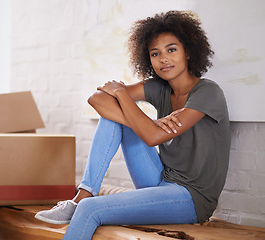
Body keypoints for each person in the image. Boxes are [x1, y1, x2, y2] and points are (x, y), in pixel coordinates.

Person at [35, 10, 231, 240]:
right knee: (114, 115)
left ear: (188, 51)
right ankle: (84, 193)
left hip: (191, 198)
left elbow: (152, 138)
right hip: (159, 179)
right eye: (155, 53)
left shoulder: (208, 92)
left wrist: (122, 93)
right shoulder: (159, 87)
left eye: (171, 49)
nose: (164, 59)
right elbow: (96, 99)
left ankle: (84, 201)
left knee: (91, 210)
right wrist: (152, 122)